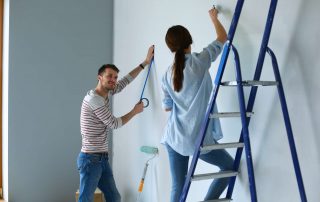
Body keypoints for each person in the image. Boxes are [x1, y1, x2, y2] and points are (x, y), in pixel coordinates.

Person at [161, 8, 234, 201]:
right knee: (229, 167)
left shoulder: (167, 74)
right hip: (197, 139)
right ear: (189, 41)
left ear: (170, 47)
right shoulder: (200, 62)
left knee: (178, 186)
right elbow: (223, 36)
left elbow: (167, 107)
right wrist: (213, 18)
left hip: (174, 138)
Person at [77, 45, 154, 202]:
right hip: (90, 160)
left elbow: (126, 81)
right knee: (85, 199)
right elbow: (114, 124)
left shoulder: (107, 92)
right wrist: (134, 111)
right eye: (109, 76)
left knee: (114, 198)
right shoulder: (94, 99)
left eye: (115, 77)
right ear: (100, 77)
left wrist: (145, 62)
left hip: (101, 159)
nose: (113, 80)